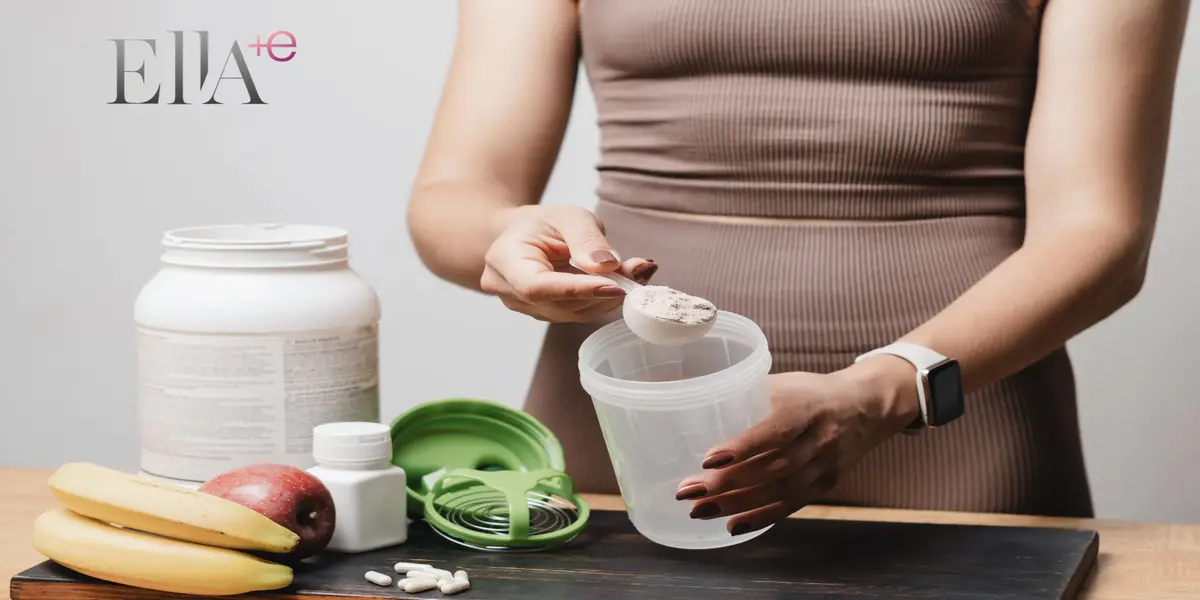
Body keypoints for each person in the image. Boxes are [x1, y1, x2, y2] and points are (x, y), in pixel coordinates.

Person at [406, 0, 1190, 534]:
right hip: (630, 432)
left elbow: (1100, 234)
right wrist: (508, 237)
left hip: (955, 433)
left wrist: (881, 392)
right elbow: (455, 197)